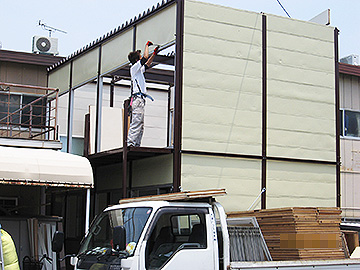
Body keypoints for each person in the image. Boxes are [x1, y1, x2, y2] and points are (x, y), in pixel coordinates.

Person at [127, 41, 159, 147]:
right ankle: (130, 143)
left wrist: (154, 54)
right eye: (139, 57)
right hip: (137, 99)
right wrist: (146, 46)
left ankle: (136, 144)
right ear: (136, 60)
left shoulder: (138, 70)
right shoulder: (134, 68)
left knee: (140, 124)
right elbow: (145, 57)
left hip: (140, 100)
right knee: (136, 122)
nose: (142, 58)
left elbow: (147, 64)